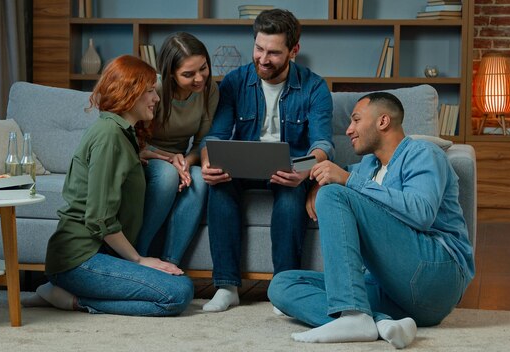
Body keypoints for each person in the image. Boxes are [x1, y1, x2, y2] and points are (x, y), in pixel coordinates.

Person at [268, 92, 475, 348]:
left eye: (355, 120)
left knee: (334, 194)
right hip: (394, 293)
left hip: (436, 274)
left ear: (383, 121)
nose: (349, 129)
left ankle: (354, 315)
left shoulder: (422, 153)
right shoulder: (368, 166)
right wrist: (311, 181)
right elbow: (334, 171)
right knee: (281, 286)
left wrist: (345, 181)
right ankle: (378, 323)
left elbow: (421, 213)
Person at [22, 55, 194, 316]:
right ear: (129, 93)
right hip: (79, 259)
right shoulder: (109, 136)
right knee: (177, 294)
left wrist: (154, 154)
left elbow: (120, 161)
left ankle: (65, 292)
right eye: (149, 92)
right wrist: (138, 260)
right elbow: (99, 217)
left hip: (95, 255)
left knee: (180, 286)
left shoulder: (120, 133)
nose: (156, 99)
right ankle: (67, 299)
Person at [199, 9, 334, 312]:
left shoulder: (314, 87)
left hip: (289, 169)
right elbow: (217, 135)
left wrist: (302, 171)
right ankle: (226, 286)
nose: (262, 58)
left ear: (293, 51)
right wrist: (209, 162)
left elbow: (323, 144)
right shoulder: (234, 82)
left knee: (290, 199)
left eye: (273, 52)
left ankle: (283, 288)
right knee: (218, 189)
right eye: (259, 48)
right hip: (242, 168)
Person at [135, 32, 219, 266]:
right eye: (188, 74)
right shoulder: (155, 89)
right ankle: (138, 255)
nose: (199, 78)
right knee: (167, 176)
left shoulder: (209, 91)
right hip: (148, 153)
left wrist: (186, 162)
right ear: (170, 73)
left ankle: (170, 262)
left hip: (181, 157)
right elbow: (135, 136)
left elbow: (204, 140)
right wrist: (172, 160)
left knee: (201, 180)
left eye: (203, 68)